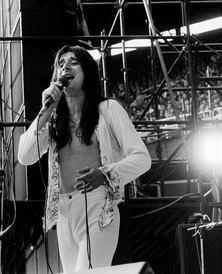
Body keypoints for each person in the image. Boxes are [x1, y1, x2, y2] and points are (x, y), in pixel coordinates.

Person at [17, 45, 151, 272]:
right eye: (61, 64)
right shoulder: (53, 120)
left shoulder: (108, 109)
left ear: (87, 71)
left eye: (73, 62)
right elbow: (25, 156)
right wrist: (45, 111)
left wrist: (105, 174)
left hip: (98, 207)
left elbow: (142, 159)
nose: (65, 66)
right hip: (63, 214)